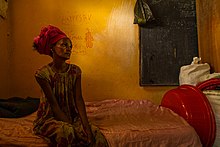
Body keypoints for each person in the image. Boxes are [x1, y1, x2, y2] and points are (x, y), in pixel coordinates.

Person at [32, 25, 109, 147]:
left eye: (70, 46)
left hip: (72, 116)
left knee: (95, 134)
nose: (68, 49)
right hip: (50, 118)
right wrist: (75, 129)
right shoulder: (42, 74)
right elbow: (54, 106)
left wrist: (86, 127)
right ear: (52, 48)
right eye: (63, 45)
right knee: (67, 132)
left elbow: (79, 99)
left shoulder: (75, 71)